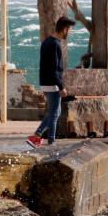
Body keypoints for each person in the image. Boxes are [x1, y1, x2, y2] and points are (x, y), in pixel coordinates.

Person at [27, 15, 75, 148]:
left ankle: (37, 135)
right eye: (69, 30)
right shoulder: (55, 44)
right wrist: (61, 86)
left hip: (45, 82)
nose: (69, 33)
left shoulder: (46, 41)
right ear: (64, 29)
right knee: (54, 114)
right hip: (53, 84)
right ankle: (50, 141)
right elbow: (54, 68)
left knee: (55, 112)